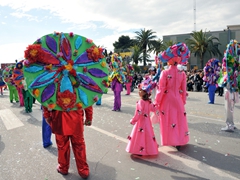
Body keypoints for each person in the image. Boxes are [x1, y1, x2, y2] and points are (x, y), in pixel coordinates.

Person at [155, 43, 190, 151]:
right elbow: (183, 90)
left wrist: (157, 102)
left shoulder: (165, 73)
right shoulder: (182, 74)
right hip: (178, 99)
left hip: (167, 99)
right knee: (179, 119)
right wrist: (182, 100)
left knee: (168, 120)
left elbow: (161, 89)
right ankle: (179, 141)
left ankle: (170, 140)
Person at [43, 106, 92, 178]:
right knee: (79, 146)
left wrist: (47, 115)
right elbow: (88, 99)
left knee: (62, 146)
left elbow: (45, 98)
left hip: (59, 118)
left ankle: (63, 168)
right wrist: (89, 117)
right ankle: (83, 171)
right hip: (76, 119)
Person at [126, 77, 158, 156]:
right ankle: (148, 150)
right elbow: (153, 109)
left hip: (140, 122)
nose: (139, 92)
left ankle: (138, 150)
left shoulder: (140, 102)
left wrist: (133, 120)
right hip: (147, 122)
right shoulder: (148, 102)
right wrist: (157, 103)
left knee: (140, 136)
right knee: (147, 135)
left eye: (140, 90)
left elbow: (138, 113)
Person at [221, 40, 239, 132]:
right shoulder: (237, 58)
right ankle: (231, 123)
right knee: (231, 106)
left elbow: (226, 69)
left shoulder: (230, 60)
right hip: (235, 85)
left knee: (228, 106)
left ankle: (229, 125)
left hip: (230, 85)